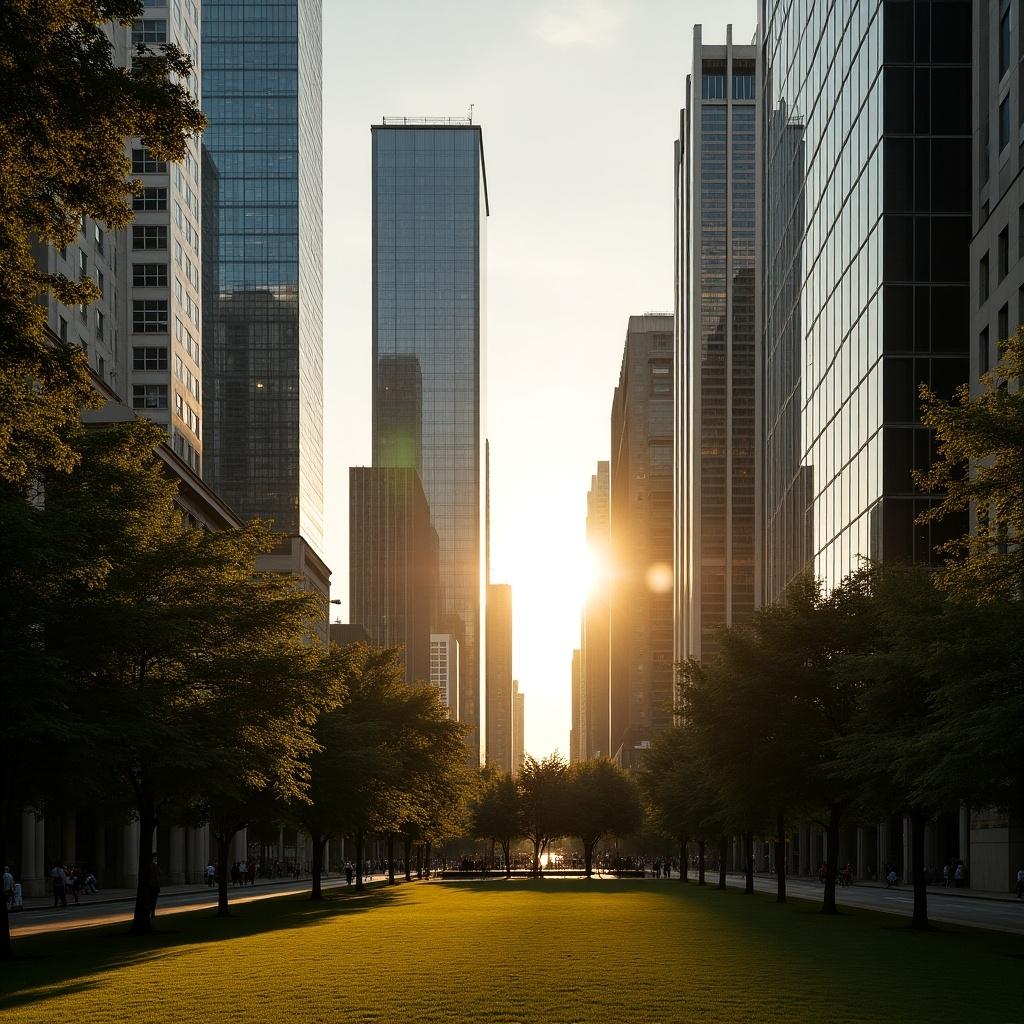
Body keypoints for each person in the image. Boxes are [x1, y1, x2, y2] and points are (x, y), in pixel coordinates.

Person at [146, 853, 161, 920]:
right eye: (155, 858)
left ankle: (151, 913)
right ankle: (152, 914)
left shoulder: (152, 866)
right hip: (153, 886)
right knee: (152, 901)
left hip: (152, 886)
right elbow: (159, 873)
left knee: (151, 901)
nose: (156, 859)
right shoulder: (154, 866)